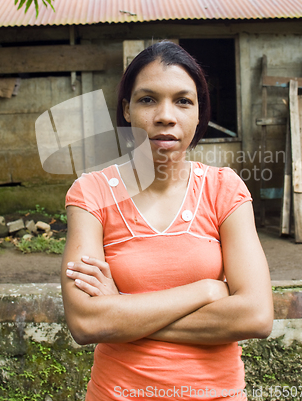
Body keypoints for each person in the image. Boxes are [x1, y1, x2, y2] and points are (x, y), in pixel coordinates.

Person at [61, 41, 274, 401]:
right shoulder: (92, 193)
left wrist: (122, 311)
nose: (165, 115)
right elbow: (87, 323)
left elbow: (255, 316)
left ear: (198, 112)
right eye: (147, 100)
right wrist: (206, 291)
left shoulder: (224, 189)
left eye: (182, 101)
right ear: (127, 109)